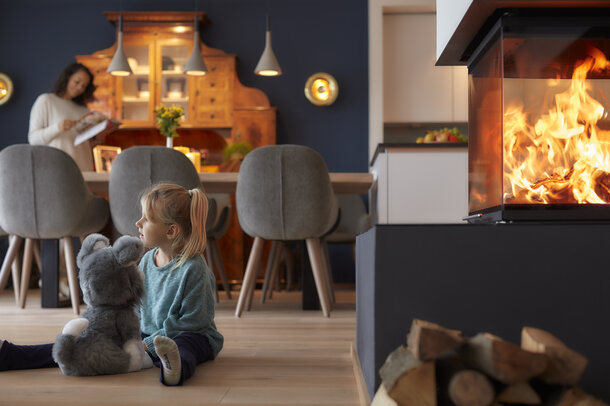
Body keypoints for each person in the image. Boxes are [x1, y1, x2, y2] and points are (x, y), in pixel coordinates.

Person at [0, 183, 224, 386]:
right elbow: (135, 305)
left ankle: (175, 369)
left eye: (146, 219)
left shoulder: (193, 268)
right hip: (146, 334)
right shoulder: (147, 260)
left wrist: (150, 343)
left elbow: (195, 322)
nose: (138, 223)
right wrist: (122, 332)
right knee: (83, 342)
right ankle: (11, 355)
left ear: (171, 230)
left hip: (191, 335)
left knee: (186, 346)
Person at [28, 62, 101, 172]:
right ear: (67, 77)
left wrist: (97, 136)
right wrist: (58, 127)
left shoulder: (84, 110)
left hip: (84, 168)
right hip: (57, 168)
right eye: (77, 82)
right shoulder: (46, 101)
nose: (79, 88)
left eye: (84, 86)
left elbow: (81, 144)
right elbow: (33, 139)